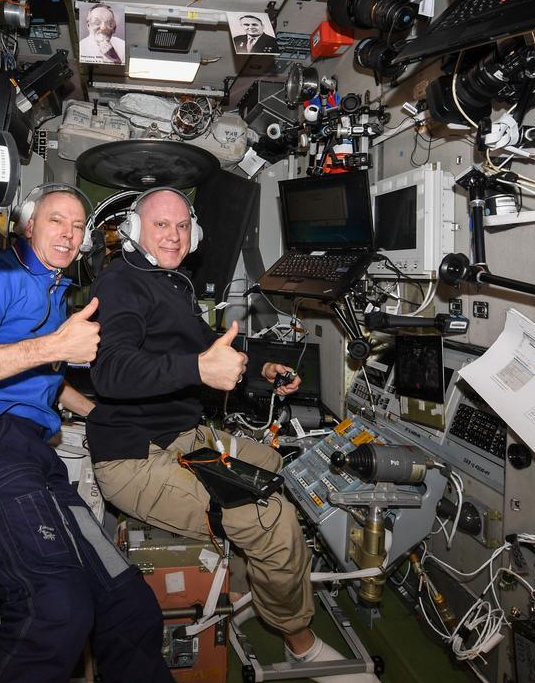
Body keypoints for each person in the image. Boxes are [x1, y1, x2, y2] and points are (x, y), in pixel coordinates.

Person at [86, 187, 377, 681]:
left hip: (183, 437)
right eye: (161, 226)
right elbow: (110, 371)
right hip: (136, 459)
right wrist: (198, 366)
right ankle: (299, 643)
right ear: (135, 231)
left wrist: (263, 366)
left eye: (182, 226)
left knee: (275, 467)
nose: (174, 236)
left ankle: (244, 589)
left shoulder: (170, 284)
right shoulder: (121, 285)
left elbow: (208, 344)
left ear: (195, 232)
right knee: (273, 520)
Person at [0, 183, 172, 683]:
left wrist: (98, 414)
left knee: (128, 605)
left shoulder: (56, 295)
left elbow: (43, 383)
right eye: (57, 220)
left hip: (33, 459)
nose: (69, 233)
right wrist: (55, 344)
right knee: (56, 609)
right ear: (28, 224)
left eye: (78, 227)